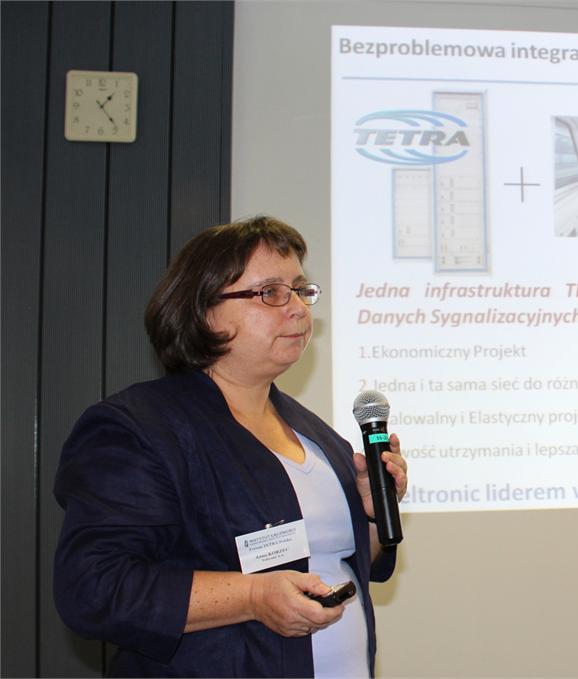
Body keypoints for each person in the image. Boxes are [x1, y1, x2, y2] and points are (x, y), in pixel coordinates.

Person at [53, 216, 407, 678]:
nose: (298, 309)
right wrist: (253, 597)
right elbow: (95, 588)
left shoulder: (314, 434)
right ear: (202, 310)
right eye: (270, 293)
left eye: (301, 290)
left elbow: (340, 561)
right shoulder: (139, 428)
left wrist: (375, 516)